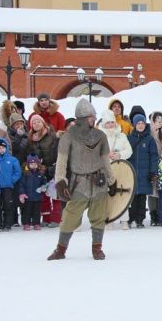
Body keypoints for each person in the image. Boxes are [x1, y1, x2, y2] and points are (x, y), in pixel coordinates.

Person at [46, 100, 117, 261]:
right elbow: (62, 160)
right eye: (91, 116)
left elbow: (105, 160)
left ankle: (97, 249)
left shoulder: (101, 136)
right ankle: (61, 250)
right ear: (84, 117)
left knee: (98, 217)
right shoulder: (68, 137)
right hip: (79, 183)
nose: (93, 119)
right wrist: (60, 181)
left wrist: (111, 180)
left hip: (99, 181)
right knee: (70, 217)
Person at [98, 110, 133, 229]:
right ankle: (109, 219)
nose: (110, 125)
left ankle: (124, 220)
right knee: (107, 194)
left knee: (122, 193)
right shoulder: (99, 137)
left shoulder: (122, 136)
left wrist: (118, 155)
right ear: (104, 124)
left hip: (121, 168)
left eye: (112, 122)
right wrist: (105, 155)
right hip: (105, 169)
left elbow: (129, 151)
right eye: (108, 123)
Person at [27, 113, 60, 228]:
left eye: (38, 122)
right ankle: (46, 218)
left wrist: (54, 167)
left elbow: (58, 151)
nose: (36, 124)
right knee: (44, 196)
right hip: (40, 171)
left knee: (55, 195)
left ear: (43, 123)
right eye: (34, 123)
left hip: (53, 168)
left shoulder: (52, 135)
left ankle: (56, 219)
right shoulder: (31, 138)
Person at [127, 114, 158, 229]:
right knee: (132, 197)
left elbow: (154, 156)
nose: (140, 125)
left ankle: (140, 219)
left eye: (142, 123)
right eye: (138, 123)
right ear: (134, 125)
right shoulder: (129, 138)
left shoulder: (149, 139)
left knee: (142, 197)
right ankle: (131, 218)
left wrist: (153, 171)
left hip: (145, 173)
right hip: (132, 172)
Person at [0, 138, 20, 231]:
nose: (1, 149)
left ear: (6, 148)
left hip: (8, 187)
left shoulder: (12, 159)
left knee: (8, 206)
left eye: (3, 147)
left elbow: (17, 172)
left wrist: (11, 180)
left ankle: (8, 224)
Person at [18, 154, 47, 230]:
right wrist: (22, 193)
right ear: (28, 164)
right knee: (26, 211)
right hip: (27, 197)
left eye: (35, 164)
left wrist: (44, 187)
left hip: (37, 197)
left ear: (38, 164)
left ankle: (36, 223)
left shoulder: (40, 174)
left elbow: (44, 183)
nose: (33, 165)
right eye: (31, 164)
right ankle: (26, 223)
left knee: (36, 211)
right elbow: (21, 185)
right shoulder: (25, 174)